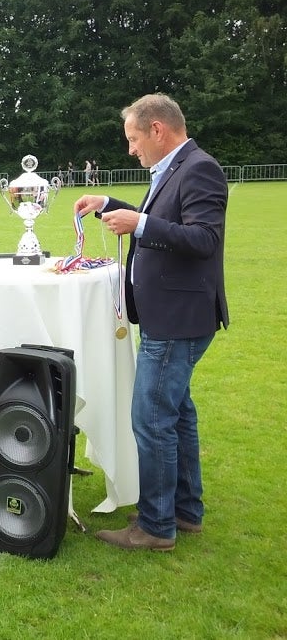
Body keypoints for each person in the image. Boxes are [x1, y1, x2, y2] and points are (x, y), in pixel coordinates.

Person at [75, 93, 229, 552]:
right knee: (177, 414)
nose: (131, 149)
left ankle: (157, 525)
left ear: (157, 129)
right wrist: (109, 203)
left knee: (153, 418)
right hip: (172, 315)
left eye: (134, 139)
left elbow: (203, 238)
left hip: (178, 319)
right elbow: (161, 217)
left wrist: (139, 224)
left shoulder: (199, 168)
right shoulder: (177, 167)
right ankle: (185, 510)